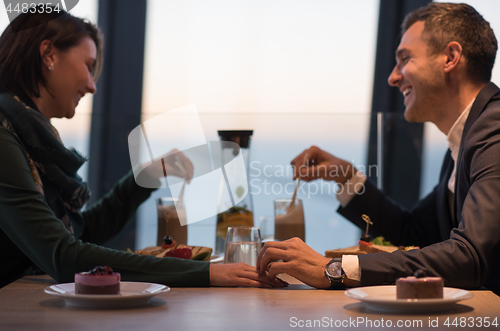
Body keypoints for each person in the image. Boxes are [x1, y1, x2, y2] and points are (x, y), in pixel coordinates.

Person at [0, 10, 284, 289]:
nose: (92, 86)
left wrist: (146, 177)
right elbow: (63, 256)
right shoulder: (4, 137)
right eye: (88, 66)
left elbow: (82, 233)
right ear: (48, 54)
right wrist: (206, 272)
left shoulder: (28, 140)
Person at [257, 2, 500, 294]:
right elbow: (411, 230)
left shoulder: (494, 130)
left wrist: (334, 269)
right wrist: (346, 177)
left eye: (405, 59)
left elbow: (470, 257)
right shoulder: (466, 140)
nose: (393, 77)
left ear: (450, 57)